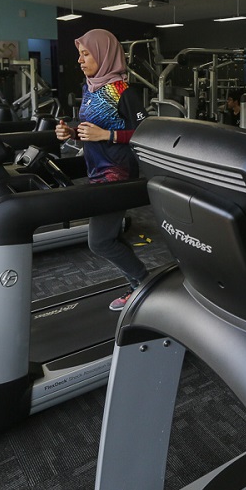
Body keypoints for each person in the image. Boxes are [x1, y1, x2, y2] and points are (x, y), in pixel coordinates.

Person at [55, 29, 149, 311]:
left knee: (100, 242)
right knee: (109, 238)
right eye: (79, 55)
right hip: (96, 171)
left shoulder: (123, 91)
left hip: (117, 175)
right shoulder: (90, 88)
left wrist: (105, 136)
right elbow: (93, 129)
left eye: (86, 54)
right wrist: (71, 133)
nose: (81, 61)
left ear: (104, 54)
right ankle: (139, 286)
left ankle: (143, 284)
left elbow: (145, 133)